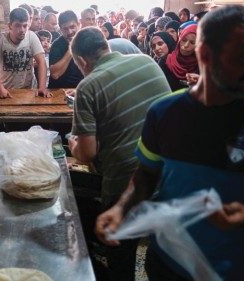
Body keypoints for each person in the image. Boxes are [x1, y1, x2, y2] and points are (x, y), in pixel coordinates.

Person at [95, 6, 244, 281]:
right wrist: (120, 208)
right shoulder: (164, 112)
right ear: (206, 54)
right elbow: (145, 177)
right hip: (166, 265)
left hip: (234, 271)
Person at [68, 27, 171, 281]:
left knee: (121, 261)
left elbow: (87, 154)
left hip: (127, 188)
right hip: (169, 176)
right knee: (161, 261)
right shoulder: (147, 62)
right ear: (107, 46)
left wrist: (73, 144)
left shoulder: (87, 86)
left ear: (82, 61)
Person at [0, 7, 49, 98]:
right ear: (10, 26)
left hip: (29, 89)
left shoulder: (32, 37)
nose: (22, 30)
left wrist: (42, 87)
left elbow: (41, 62)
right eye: (18, 25)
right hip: (7, 89)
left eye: (25, 26)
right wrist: (0, 88)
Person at [48, 10, 84, 89]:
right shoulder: (57, 45)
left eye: (72, 27)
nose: (70, 32)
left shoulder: (87, 41)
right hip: (59, 91)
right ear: (60, 30)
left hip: (81, 90)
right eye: (65, 29)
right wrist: (71, 50)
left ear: (79, 25)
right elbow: (55, 75)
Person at [160, 24, 199, 91]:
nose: (186, 45)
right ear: (180, 39)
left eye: (192, 42)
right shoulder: (165, 61)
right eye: (184, 40)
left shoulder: (202, 64)